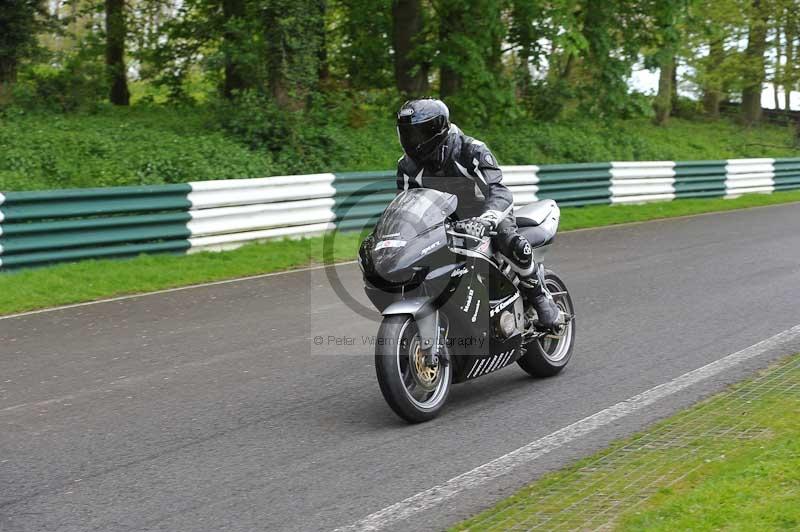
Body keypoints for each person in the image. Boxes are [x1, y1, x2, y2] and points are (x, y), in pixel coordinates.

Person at [395, 98, 561, 329]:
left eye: (419, 133)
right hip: (444, 223)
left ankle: (540, 296)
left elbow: (498, 190)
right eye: (408, 133)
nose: (414, 140)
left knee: (507, 239)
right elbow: (406, 206)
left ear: (438, 128)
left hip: (487, 213)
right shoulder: (407, 166)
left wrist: (488, 218)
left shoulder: (470, 149)